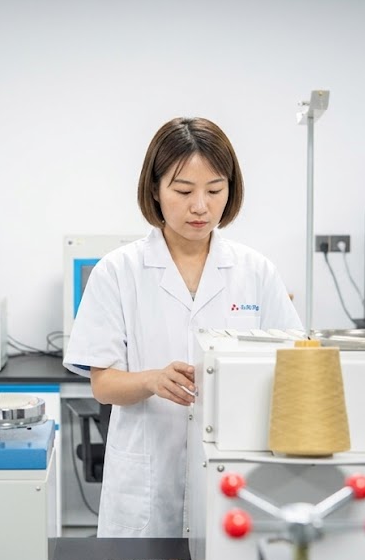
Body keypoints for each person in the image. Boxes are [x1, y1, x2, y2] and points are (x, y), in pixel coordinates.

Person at [63, 117, 302, 538]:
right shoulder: (118, 272)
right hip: (146, 482)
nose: (201, 207)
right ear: (155, 189)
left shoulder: (256, 272)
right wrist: (153, 380)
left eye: (215, 190)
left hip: (235, 476)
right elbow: (103, 385)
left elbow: (293, 369)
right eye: (183, 190)